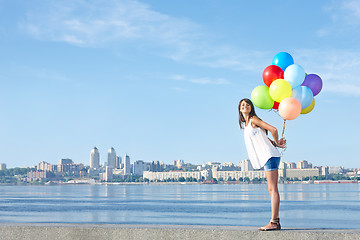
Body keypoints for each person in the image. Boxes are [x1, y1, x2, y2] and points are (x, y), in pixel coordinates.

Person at [238, 98, 286, 231]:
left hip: (270, 156)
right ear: (239, 109)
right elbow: (264, 138)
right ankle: (275, 221)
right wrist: (275, 143)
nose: (245, 106)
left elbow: (274, 129)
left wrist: (276, 142)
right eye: (242, 105)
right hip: (268, 156)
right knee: (272, 189)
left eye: (247, 104)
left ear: (251, 107)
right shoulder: (246, 125)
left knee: (273, 189)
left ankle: (274, 222)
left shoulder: (253, 119)